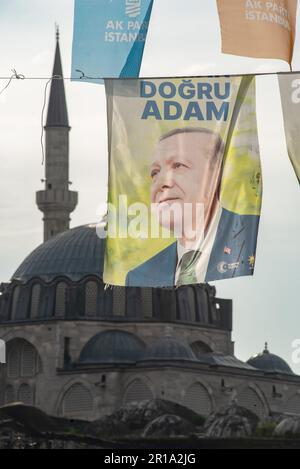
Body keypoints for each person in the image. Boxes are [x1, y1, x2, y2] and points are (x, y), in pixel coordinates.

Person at [126, 127, 259, 287]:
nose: (161, 182)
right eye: (155, 172)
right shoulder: (139, 277)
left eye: (178, 165)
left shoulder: (256, 237)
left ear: (216, 174)